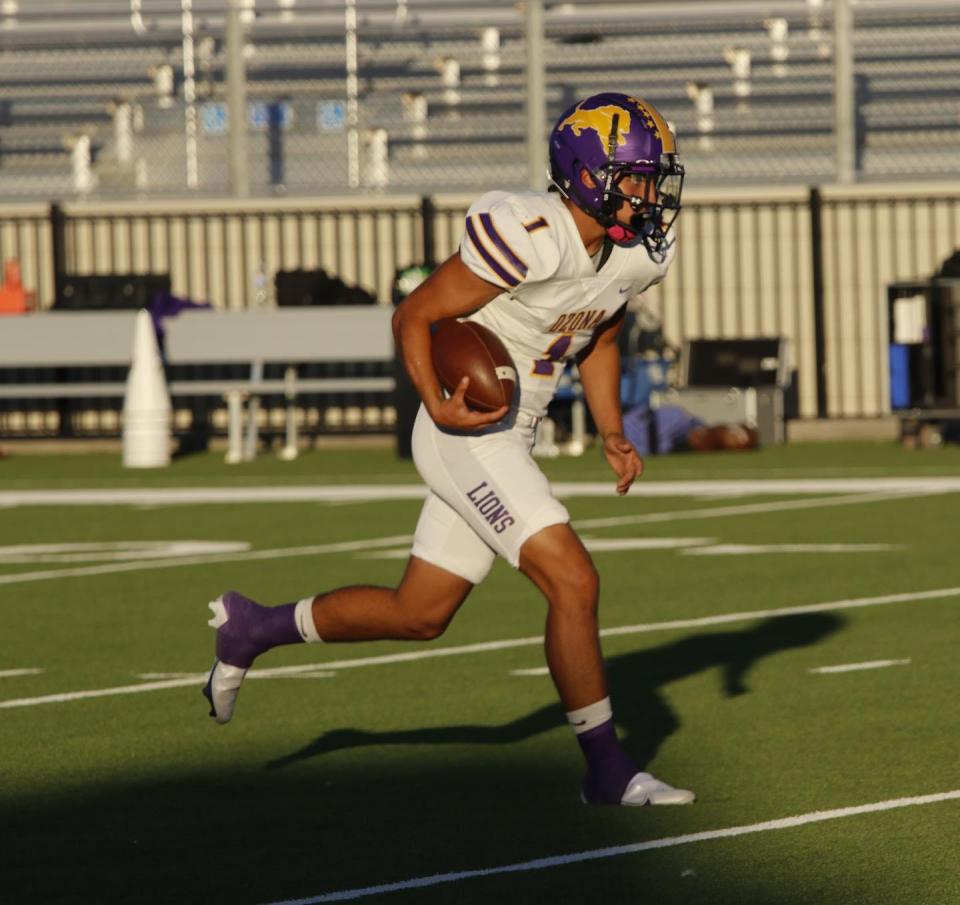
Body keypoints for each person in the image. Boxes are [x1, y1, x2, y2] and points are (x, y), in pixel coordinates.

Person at [204, 92, 694, 807]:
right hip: (466, 423)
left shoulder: (632, 252)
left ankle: (253, 627)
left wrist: (612, 429)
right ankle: (607, 770)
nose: (652, 195)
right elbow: (416, 312)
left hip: (514, 426)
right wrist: (435, 402)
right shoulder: (531, 232)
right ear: (591, 175)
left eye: (654, 178)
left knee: (419, 612)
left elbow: (602, 332)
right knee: (573, 578)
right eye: (638, 177)